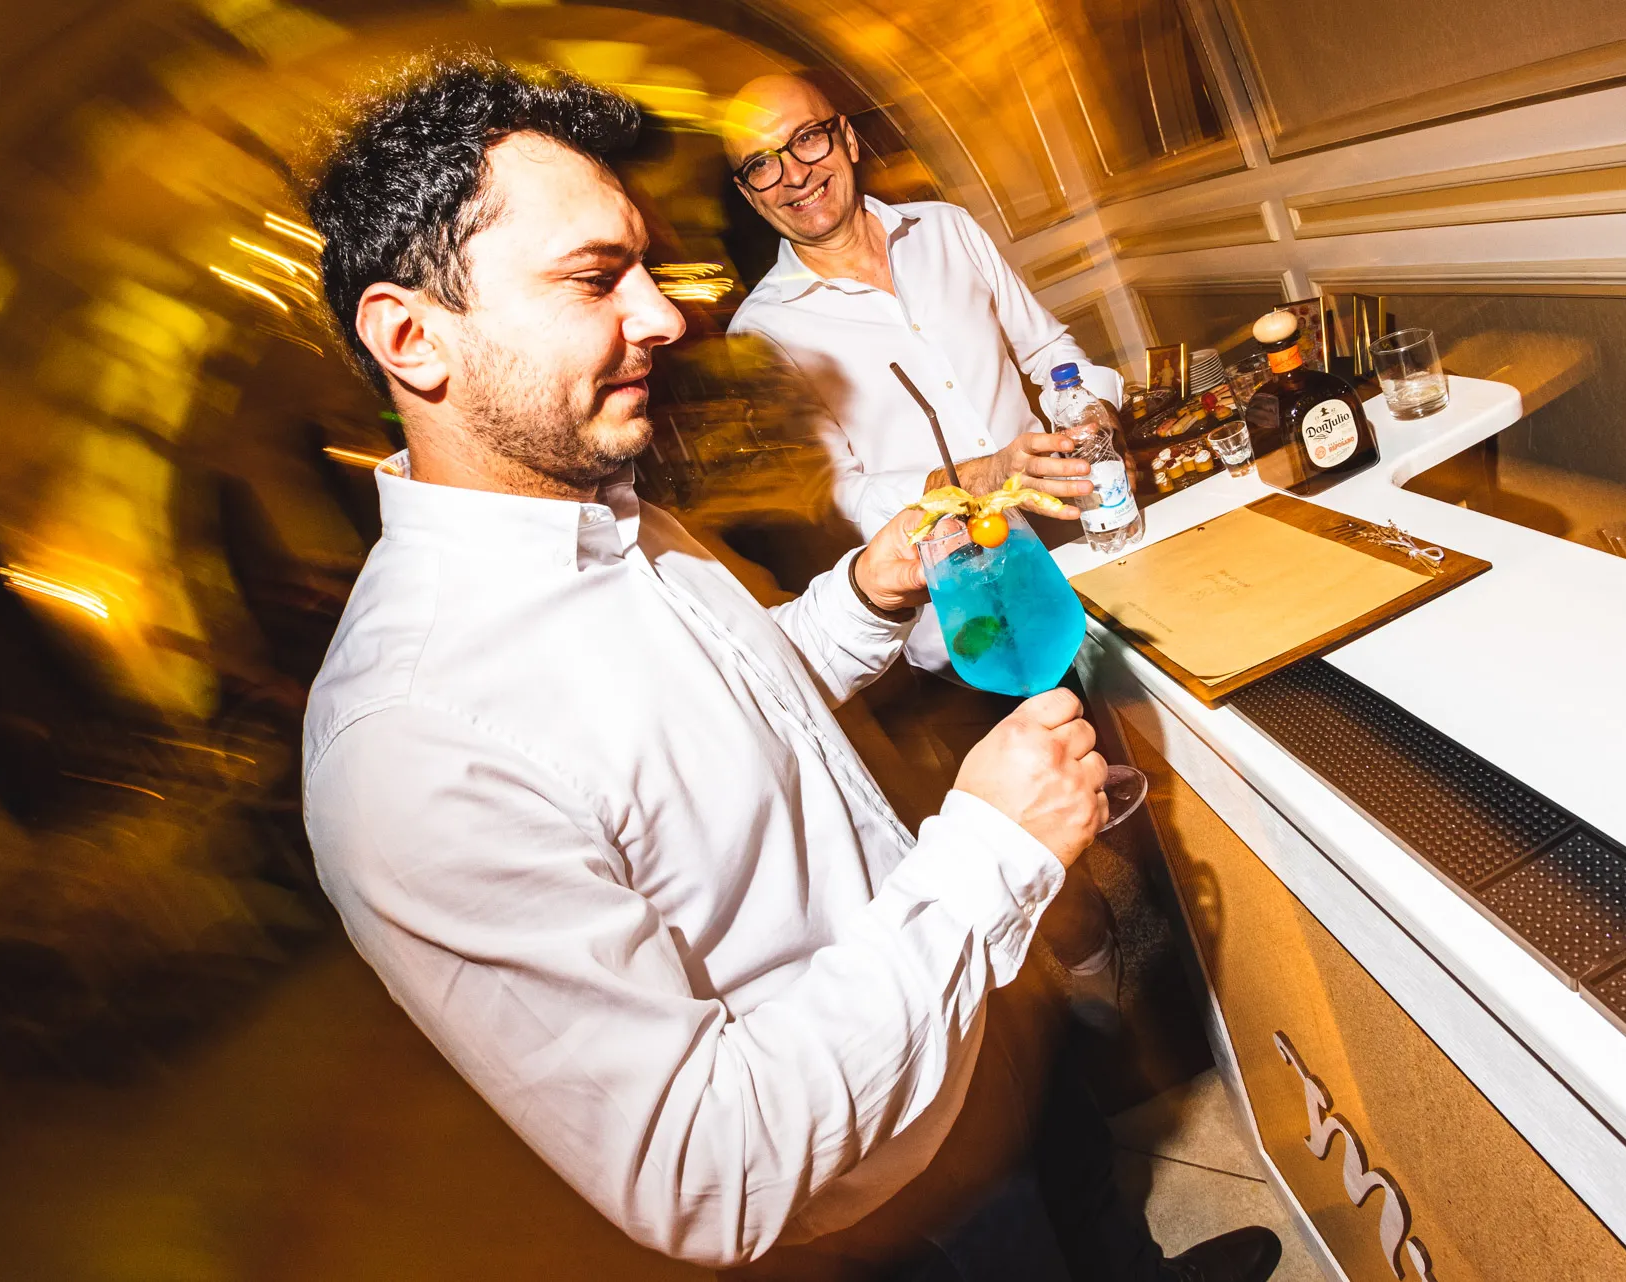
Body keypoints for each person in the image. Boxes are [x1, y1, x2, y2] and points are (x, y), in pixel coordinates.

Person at [301, 55, 1278, 1282]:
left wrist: (868, 588)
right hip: (895, 1188)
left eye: (644, 267)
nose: (664, 318)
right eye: (597, 278)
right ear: (410, 337)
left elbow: (754, 687)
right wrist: (989, 849)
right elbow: (703, 1165)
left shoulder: (617, 519)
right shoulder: (410, 744)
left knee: (1096, 1208)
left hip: (966, 1019)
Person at [721, 73, 1130, 1033]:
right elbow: (837, 493)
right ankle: (1093, 960)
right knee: (1032, 824)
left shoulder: (947, 231)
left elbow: (1051, 350)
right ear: (747, 192)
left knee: (1140, 748)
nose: (793, 174)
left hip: (1079, 543)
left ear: (846, 137)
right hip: (960, 617)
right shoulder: (762, 330)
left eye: (806, 140)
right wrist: (981, 474)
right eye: (760, 165)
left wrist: (1088, 409)